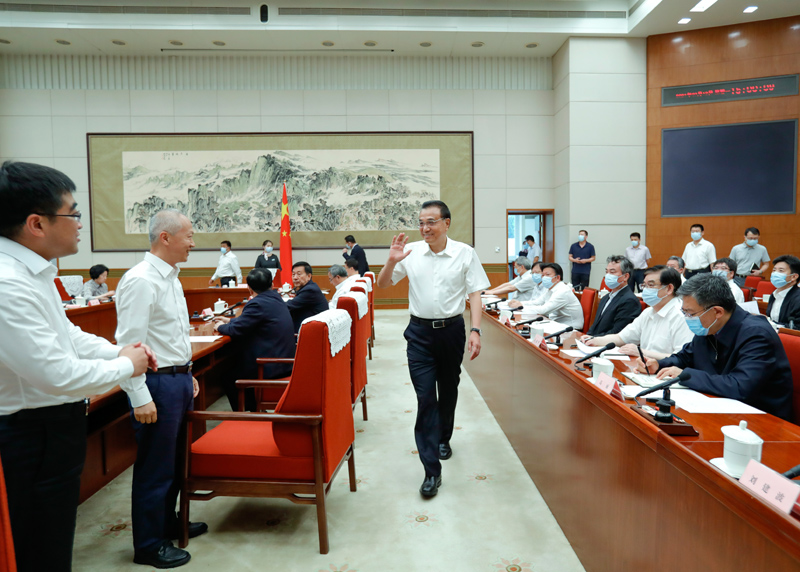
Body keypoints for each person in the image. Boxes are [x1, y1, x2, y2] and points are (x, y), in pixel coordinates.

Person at [0, 161, 151, 572]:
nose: (81, 223)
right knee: (39, 547)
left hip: (50, 428)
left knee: (52, 537)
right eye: (73, 213)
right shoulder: (8, 282)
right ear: (37, 223)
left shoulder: (34, 270)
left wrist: (118, 353)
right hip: (32, 433)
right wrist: (126, 366)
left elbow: (67, 334)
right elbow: (58, 376)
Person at [376, 200, 489, 499]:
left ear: (446, 223)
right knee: (426, 398)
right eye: (421, 222)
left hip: (452, 331)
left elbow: (475, 293)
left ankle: (443, 437)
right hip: (419, 334)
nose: (425, 228)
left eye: (431, 222)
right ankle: (431, 472)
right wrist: (391, 261)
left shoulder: (465, 253)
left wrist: (476, 330)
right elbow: (382, 285)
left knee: (448, 389)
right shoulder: (410, 252)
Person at [115, 209, 207, 569]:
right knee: (155, 466)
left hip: (177, 380)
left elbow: (171, 335)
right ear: (165, 237)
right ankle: (149, 544)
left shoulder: (171, 277)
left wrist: (187, 371)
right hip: (155, 384)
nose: (193, 243)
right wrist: (139, 396)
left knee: (175, 461)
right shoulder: (141, 280)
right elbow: (130, 344)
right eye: (189, 235)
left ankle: (168, 522)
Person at [636, 274, 793, 421]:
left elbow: (740, 386)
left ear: (717, 311)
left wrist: (686, 375)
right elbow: (686, 356)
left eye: (690, 314)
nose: (687, 318)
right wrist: (658, 365)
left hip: (760, 419)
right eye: (684, 312)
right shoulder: (710, 325)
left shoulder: (756, 334)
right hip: (718, 406)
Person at [214, 268, 295, 412]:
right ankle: (256, 410)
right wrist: (230, 320)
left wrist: (220, 326)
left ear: (249, 288)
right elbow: (250, 320)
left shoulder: (257, 303)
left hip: (268, 366)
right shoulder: (276, 298)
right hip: (284, 362)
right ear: (271, 284)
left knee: (229, 378)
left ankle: (250, 413)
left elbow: (235, 330)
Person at [585, 266, 692, 359]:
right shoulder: (648, 312)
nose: (645, 290)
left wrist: (641, 352)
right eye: (644, 285)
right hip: (643, 368)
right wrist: (594, 340)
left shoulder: (682, 317)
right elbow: (621, 338)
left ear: (669, 289)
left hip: (666, 371)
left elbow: (681, 358)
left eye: (651, 285)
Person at [508, 262, 583, 330]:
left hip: (570, 328)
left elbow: (544, 310)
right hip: (556, 323)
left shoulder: (562, 291)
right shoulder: (551, 288)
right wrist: (520, 303)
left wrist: (521, 307)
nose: (544, 277)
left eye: (547, 275)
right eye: (543, 275)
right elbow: (537, 302)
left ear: (557, 278)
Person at [584, 255, 641, 337]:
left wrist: (593, 339)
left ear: (625, 276)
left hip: (609, 343)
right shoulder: (605, 298)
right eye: (607, 272)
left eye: (612, 272)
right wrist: (587, 336)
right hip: (595, 341)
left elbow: (618, 333)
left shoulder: (630, 301)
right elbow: (595, 326)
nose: (607, 275)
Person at [286, 261, 329, 333]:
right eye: (293, 274)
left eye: (299, 274)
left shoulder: (310, 290)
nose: (295, 278)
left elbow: (289, 306)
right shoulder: (309, 287)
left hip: (312, 332)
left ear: (309, 276)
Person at [766, 255, 800, 329]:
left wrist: (772, 324)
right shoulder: (774, 295)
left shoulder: (798, 298)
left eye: (781, 271)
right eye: (774, 270)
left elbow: (796, 327)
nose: (775, 273)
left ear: (794, 277)